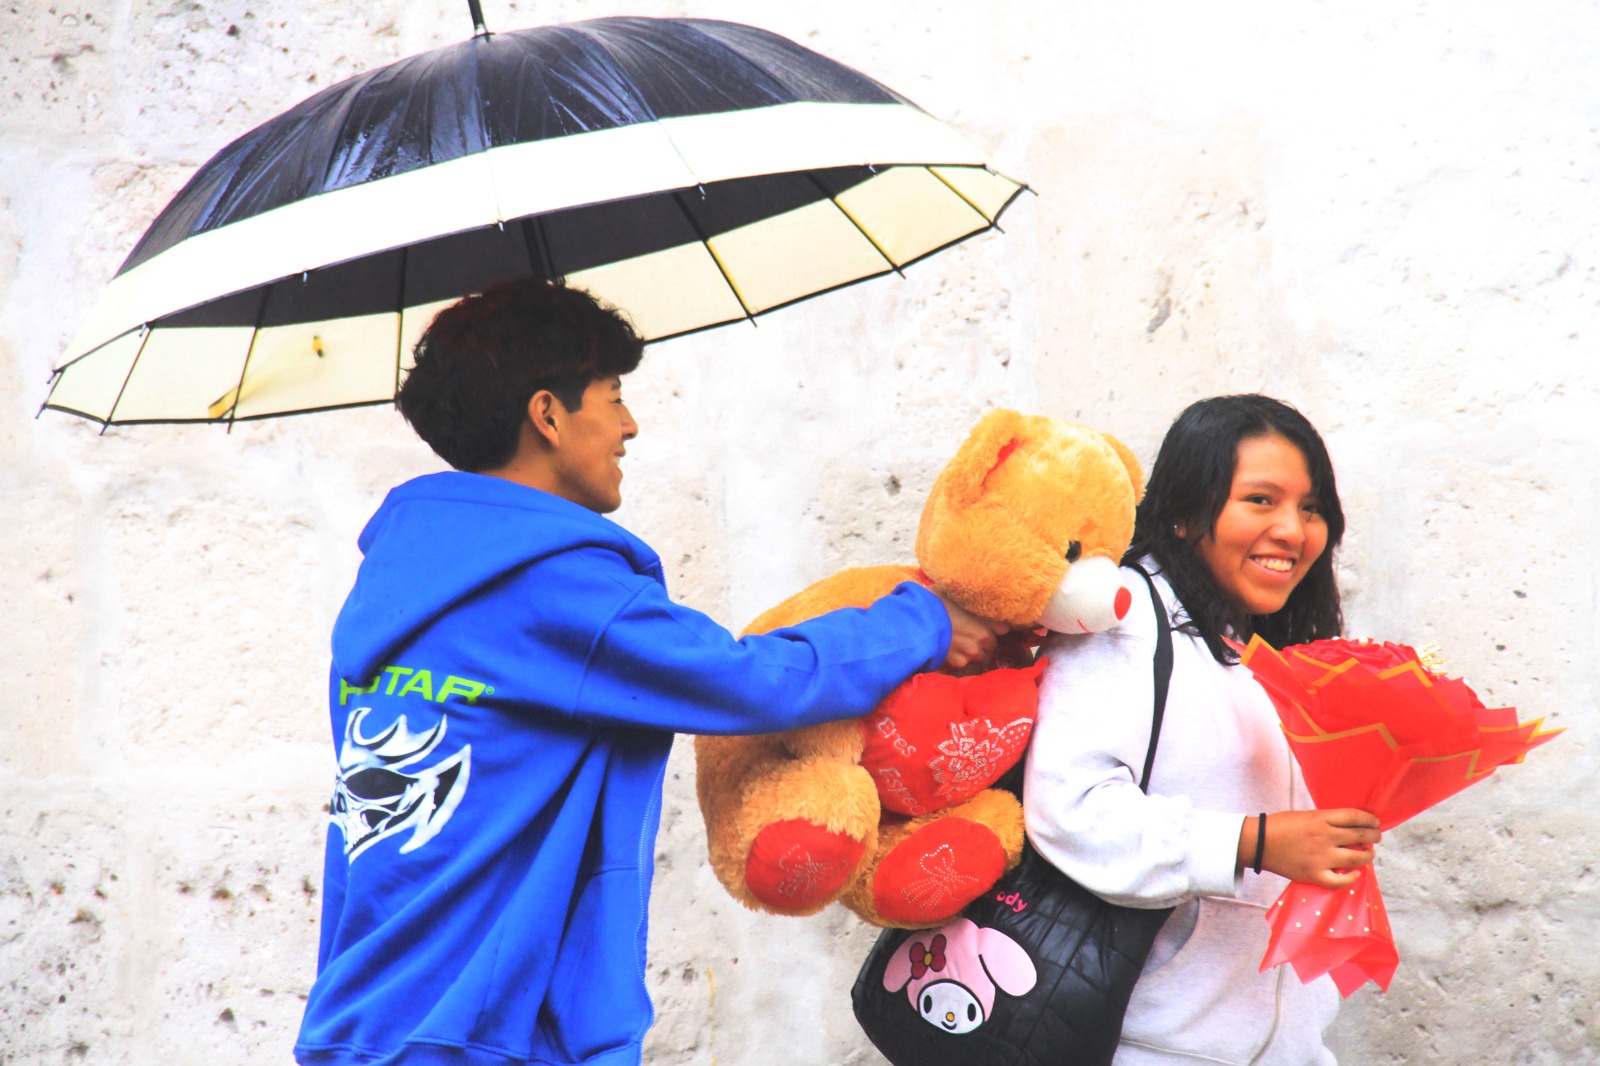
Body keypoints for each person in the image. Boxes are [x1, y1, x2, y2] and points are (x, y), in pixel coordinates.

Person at [292, 278, 1004, 1066]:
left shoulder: (395, 581)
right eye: (614, 396)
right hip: (473, 1036)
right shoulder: (551, 584)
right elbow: (750, 681)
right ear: (548, 415)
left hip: (363, 1019)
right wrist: (923, 622)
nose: (629, 426)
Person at [1022, 394, 1382, 1066]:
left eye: (1310, 508)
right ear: (1186, 512)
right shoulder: (1127, 619)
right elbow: (1069, 809)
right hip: (1148, 1048)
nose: (1292, 530)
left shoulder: (1265, 651)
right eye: (1261, 500)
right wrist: (1254, 841)